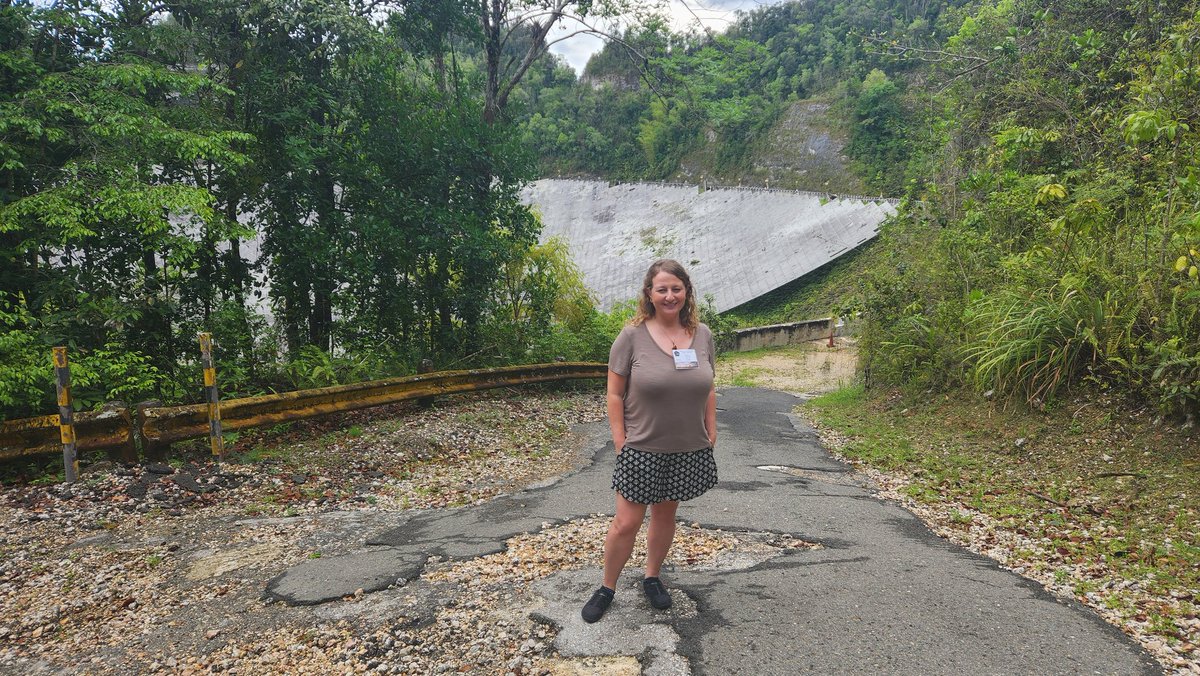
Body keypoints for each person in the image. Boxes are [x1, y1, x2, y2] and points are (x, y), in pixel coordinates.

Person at [581, 258, 718, 623]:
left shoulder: (702, 334)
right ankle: (607, 586)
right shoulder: (632, 336)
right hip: (641, 445)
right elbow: (614, 393)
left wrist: (711, 427)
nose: (670, 295)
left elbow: (709, 386)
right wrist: (619, 440)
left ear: (686, 291)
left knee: (665, 514)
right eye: (662, 289)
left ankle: (652, 577)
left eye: (676, 288)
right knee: (626, 522)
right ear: (649, 294)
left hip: (687, 445)